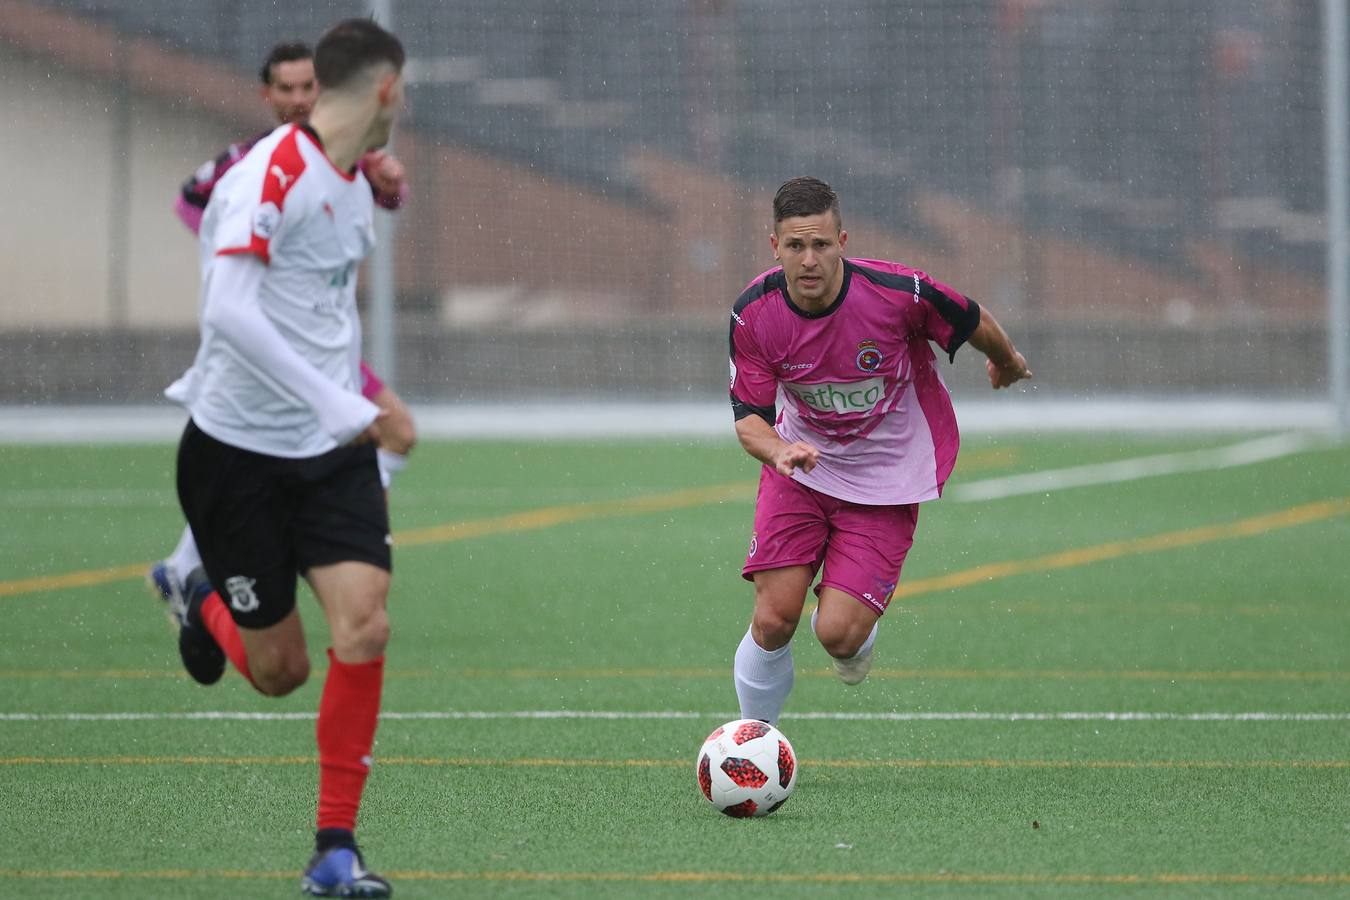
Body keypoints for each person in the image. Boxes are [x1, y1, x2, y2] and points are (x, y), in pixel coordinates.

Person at [159, 19, 408, 897]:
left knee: (366, 623)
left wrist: (359, 404)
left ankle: (335, 849)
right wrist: (348, 403)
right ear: (382, 89)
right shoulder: (270, 173)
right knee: (279, 673)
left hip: (328, 452)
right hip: (234, 457)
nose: (402, 109)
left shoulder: (351, 180)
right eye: (401, 92)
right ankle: (196, 595)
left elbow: (317, 309)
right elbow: (228, 312)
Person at [727, 177, 1032, 725]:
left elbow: (969, 317)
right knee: (775, 618)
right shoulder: (754, 313)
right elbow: (749, 419)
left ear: (843, 240)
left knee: (837, 636)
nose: (810, 259)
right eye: (795, 246)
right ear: (775, 247)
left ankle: (856, 629)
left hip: (887, 477)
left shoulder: (899, 293)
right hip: (799, 466)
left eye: (821, 244)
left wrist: (1006, 360)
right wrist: (778, 452)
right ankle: (754, 742)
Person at [153, 39, 416, 606]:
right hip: (273, 344)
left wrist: (389, 186)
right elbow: (191, 204)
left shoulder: (345, 157)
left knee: (390, 434)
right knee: (372, 434)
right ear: (267, 94)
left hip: (322, 346)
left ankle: (197, 565)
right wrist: (246, 265)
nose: (299, 98)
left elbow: (373, 199)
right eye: (287, 89)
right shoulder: (255, 163)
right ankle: (207, 566)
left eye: (309, 87)